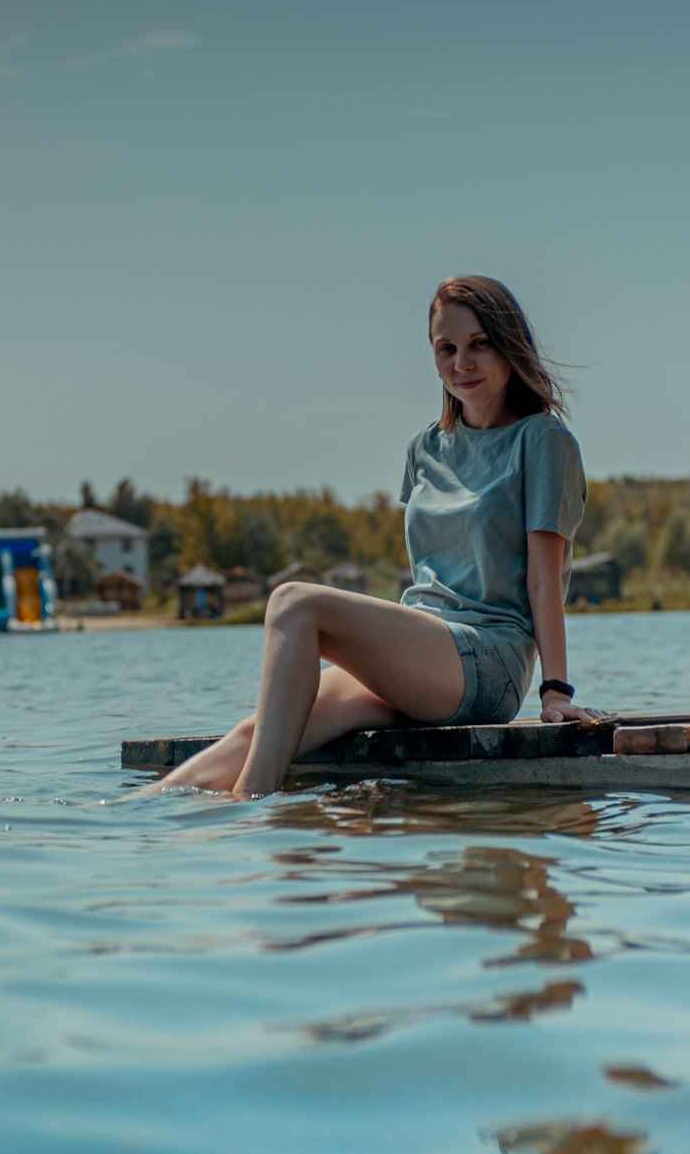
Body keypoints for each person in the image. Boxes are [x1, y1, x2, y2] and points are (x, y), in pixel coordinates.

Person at [156, 275, 596, 800]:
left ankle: (255, 814)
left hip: (487, 661)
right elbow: (431, 577)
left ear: (509, 344)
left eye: (480, 344)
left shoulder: (542, 440)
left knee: (294, 603)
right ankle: (128, 829)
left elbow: (546, 581)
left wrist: (555, 690)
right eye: (446, 348)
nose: (463, 363)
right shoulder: (424, 449)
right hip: (421, 651)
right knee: (259, 733)